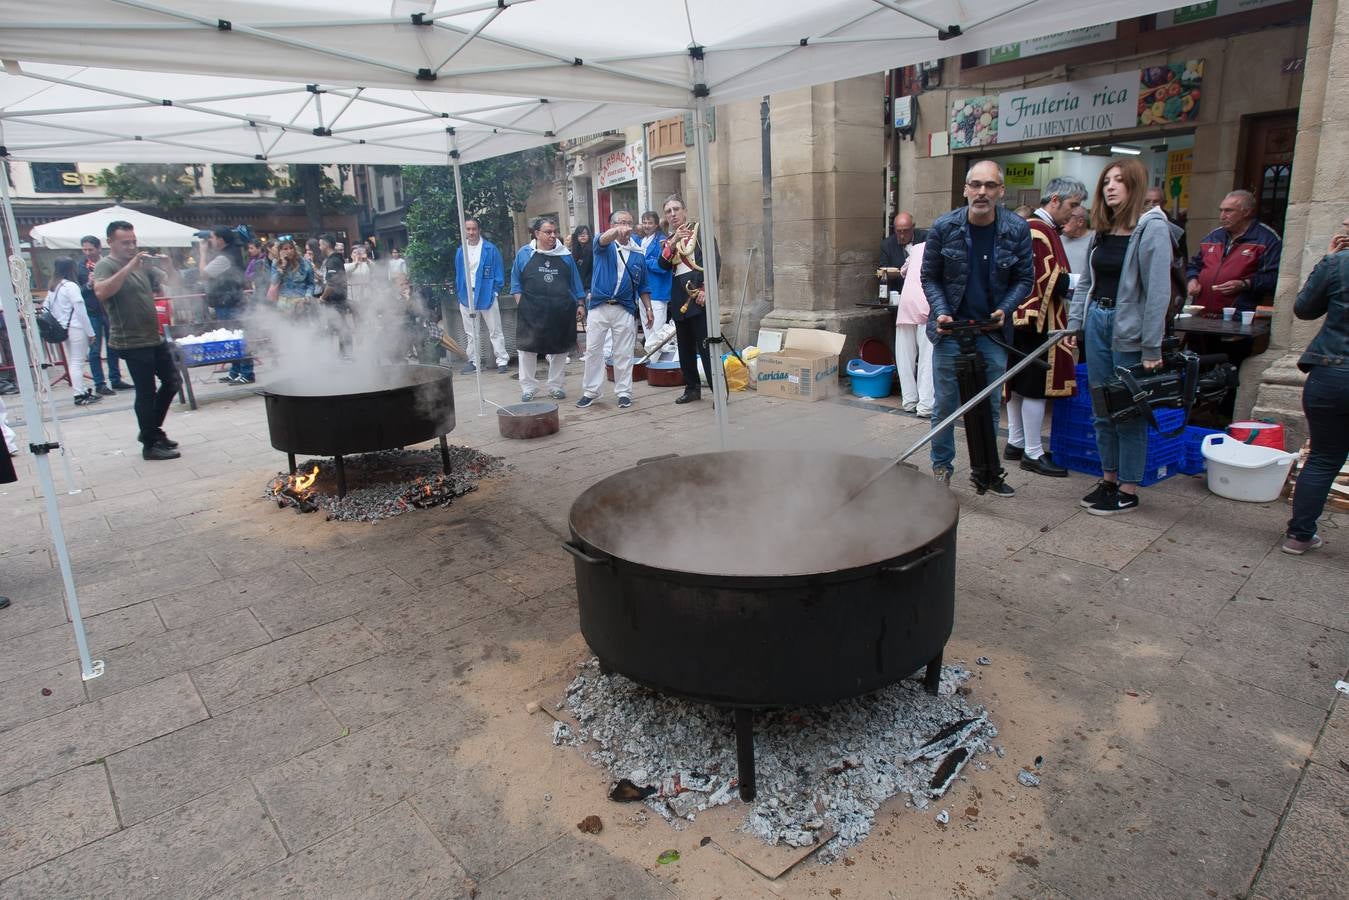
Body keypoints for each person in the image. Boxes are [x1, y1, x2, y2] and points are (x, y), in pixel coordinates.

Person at [1066, 158, 1183, 516]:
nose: (1110, 187)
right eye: (1106, 182)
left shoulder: (1152, 229)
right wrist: (1074, 325)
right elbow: (1086, 281)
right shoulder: (1102, 231)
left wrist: (1151, 345)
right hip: (1098, 320)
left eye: (1119, 181)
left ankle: (1129, 487)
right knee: (1103, 407)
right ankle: (1109, 478)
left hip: (1128, 327)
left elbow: (1158, 292)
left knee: (1128, 409)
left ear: (1134, 186)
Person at [921, 160, 1034, 494]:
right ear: (965, 189)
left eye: (990, 185)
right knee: (944, 406)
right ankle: (942, 468)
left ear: (1001, 191)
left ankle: (987, 472)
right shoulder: (944, 227)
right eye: (976, 184)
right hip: (950, 330)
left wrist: (1005, 308)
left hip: (992, 333)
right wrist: (941, 311)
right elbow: (930, 277)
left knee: (987, 406)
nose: (982, 192)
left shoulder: (1017, 229)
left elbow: (1024, 278)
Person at [1005, 176, 1087, 478]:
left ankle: (1016, 442)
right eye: (1072, 205)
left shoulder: (1038, 229)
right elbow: (1049, 279)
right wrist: (1085, 282)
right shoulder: (1038, 230)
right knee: (1033, 389)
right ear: (1054, 200)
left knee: (1016, 385)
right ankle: (1032, 451)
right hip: (1035, 322)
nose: (1075, 212)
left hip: (1023, 319)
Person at [1281, 217, 1349, 555]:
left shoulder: (1337, 264)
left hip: (1331, 374)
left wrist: (1328, 260)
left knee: (1322, 457)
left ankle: (1299, 535)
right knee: (1324, 457)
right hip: (1332, 373)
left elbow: (1305, 308)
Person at [92, 221, 182, 461]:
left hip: (153, 335)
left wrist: (168, 266)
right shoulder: (106, 265)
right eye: (125, 243)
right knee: (146, 391)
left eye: (133, 242)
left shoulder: (143, 266)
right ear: (110, 242)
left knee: (173, 381)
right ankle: (150, 444)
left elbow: (174, 283)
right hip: (130, 340)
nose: (131, 247)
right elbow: (101, 292)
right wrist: (129, 267)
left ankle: (150, 431)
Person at [578, 210, 653, 409]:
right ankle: (591, 391)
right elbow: (602, 239)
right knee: (594, 350)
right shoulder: (603, 245)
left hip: (624, 308)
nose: (625, 227)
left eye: (629, 223)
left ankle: (624, 392)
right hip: (599, 306)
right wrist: (615, 231)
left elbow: (644, 285)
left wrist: (648, 308)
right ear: (611, 225)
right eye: (620, 223)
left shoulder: (638, 253)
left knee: (624, 353)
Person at [511, 216, 585, 402]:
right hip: (531, 312)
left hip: (561, 311)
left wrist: (580, 304)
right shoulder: (524, 254)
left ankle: (556, 385)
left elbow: (575, 283)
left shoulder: (565, 255)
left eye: (554, 232)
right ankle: (529, 387)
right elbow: (515, 283)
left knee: (560, 349)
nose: (553, 236)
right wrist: (522, 304)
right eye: (548, 232)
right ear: (537, 234)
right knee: (527, 349)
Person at [1185, 190, 1281, 316]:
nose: (1222, 216)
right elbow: (1194, 265)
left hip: (1237, 317)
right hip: (1202, 314)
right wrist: (1192, 280)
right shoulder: (1213, 237)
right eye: (1221, 210)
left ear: (1246, 212)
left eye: (1229, 211)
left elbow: (1274, 278)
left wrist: (1245, 284)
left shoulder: (1267, 239)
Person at [659, 194, 717, 404]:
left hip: (697, 294)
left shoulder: (699, 232)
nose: (673, 214)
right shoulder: (669, 240)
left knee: (707, 347)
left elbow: (714, 262)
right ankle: (692, 388)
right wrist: (673, 242)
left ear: (684, 210)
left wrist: (706, 291)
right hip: (678, 296)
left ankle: (719, 391)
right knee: (684, 349)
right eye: (668, 211)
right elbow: (663, 265)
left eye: (676, 209)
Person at [454, 217, 508, 375]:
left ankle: (502, 360)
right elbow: (459, 274)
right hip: (466, 295)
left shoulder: (490, 249)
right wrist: (460, 291)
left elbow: (499, 272)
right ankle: (474, 361)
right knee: (471, 331)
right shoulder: (460, 250)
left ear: (479, 230)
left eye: (474, 229)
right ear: (464, 231)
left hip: (486, 292)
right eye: (468, 229)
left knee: (495, 329)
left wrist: (495, 291)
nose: (471, 232)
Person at [198, 228, 252, 384]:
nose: (210, 241)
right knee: (231, 338)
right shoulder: (229, 252)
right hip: (226, 302)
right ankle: (235, 371)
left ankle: (247, 372)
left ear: (221, 240)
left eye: (213, 238)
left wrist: (202, 252)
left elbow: (204, 273)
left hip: (231, 303)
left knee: (238, 338)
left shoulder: (227, 256)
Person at [78, 235, 128, 395]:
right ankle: (99, 383)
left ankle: (116, 378)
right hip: (92, 312)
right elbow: (78, 291)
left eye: (90, 249)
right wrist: (88, 284)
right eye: (84, 249)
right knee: (94, 350)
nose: (87, 252)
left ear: (99, 248)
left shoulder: (107, 264)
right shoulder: (80, 267)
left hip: (109, 310)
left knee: (113, 346)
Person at [48, 257, 99, 406]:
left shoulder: (54, 287)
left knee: (73, 361)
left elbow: (48, 307)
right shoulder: (71, 286)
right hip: (76, 327)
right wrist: (91, 332)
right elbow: (80, 310)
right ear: (71, 269)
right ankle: (79, 394)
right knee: (77, 362)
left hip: (63, 328)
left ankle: (81, 391)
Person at [894, 240, 934, 416]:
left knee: (905, 357)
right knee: (927, 357)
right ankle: (926, 405)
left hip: (906, 304)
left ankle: (909, 400)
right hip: (927, 304)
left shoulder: (917, 248)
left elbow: (903, 270)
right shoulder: (945, 247)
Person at [638, 211, 673, 356]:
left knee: (657, 333)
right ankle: (652, 365)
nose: (647, 226)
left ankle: (656, 365)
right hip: (643, 292)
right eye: (644, 222)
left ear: (656, 224)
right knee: (648, 332)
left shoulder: (662, 240)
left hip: (658, 292)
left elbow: (663, 266)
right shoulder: (640, 241)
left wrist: (643, 261)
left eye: (650, 223)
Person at [878, 212, 925, 294]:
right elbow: (883, 270)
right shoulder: (887, 245)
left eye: (906, 231)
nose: (902, 236)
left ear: (913, 227)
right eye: (899, 231)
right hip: (899, 291)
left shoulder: (925, 239)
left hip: (922, 289)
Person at [270, 238, 317, 316]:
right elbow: (274, 282)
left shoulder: (305, 263)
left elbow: (311, 283)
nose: (289, 251)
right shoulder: (276, 263)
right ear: (280, 251)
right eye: (285, 249)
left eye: (291, 248)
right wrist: (282, 267)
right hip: (284, 301)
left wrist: (308, 296)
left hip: (300, 300)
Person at [1143, 186, 1189, 261]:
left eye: (1155, 202)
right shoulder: (1138, 223)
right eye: (1147, 202)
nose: (1151, 205)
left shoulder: (1176, 227)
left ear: (1164, 203)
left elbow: (1182, 256)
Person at [1060, 206, 1092, 275]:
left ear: (1080, 222)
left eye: (1068, 217)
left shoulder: (1096, 240)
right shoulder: (1057, 240)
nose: (1063, 221)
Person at [569, 225, 594, 294]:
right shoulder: (575, 250)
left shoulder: (592, 250)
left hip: (589, 288)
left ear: (589, 235)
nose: (583, 236)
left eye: (585, 233)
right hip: (578, 287)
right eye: (580, 234)